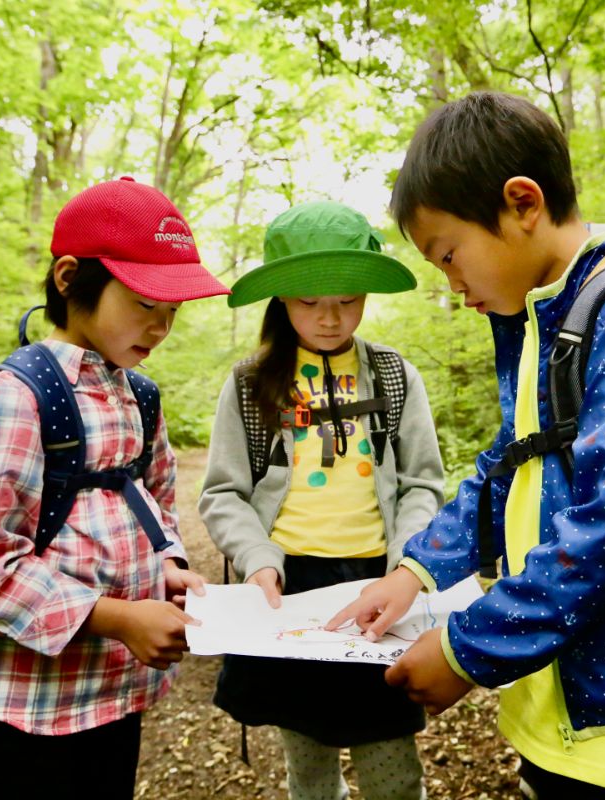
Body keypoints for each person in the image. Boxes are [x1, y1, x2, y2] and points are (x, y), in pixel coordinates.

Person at [328, 91, 605, 799]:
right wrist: (415, 572)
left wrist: (464, 651)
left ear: (522, 203)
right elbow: (505, 469)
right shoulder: (546, 320)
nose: (454, 287)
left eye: (450, 256)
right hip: (556, 702)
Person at [0, 176, 228, 798]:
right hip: (28, 713)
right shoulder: (10, 398)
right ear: (70, 278)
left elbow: (154, 501)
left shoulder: (138, 395)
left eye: (173, 312)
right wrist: (117, 617)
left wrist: (169, 565)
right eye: (144, 305)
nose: (160, 328)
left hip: (116, 697)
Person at [199, 201, 446, 800]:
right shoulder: (251, 383)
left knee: (391, 764)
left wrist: (407, 564)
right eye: (311, 301)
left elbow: (422, 483)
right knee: (307, 766)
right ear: (282, 298)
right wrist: (258, 557)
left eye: (348, 300)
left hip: (377, 589)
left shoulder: (392, 376)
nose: (332, 319)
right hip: (288, 594)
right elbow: (223, 493)